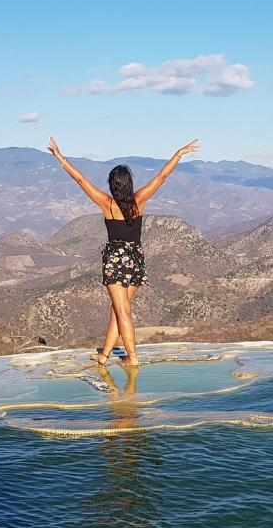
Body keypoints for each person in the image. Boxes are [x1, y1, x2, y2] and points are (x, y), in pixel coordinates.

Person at [46, 136, 199, 366]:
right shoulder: (140, 200)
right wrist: (178, 154)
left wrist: (60, 158)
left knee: (122, 310)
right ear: (129, 184)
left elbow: (80, 180)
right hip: (136, 260)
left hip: (116, 261)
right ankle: (105, 355)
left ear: (112, 185)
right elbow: (162, 176)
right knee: (118, 310)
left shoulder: (107, 204)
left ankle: (133, 357)